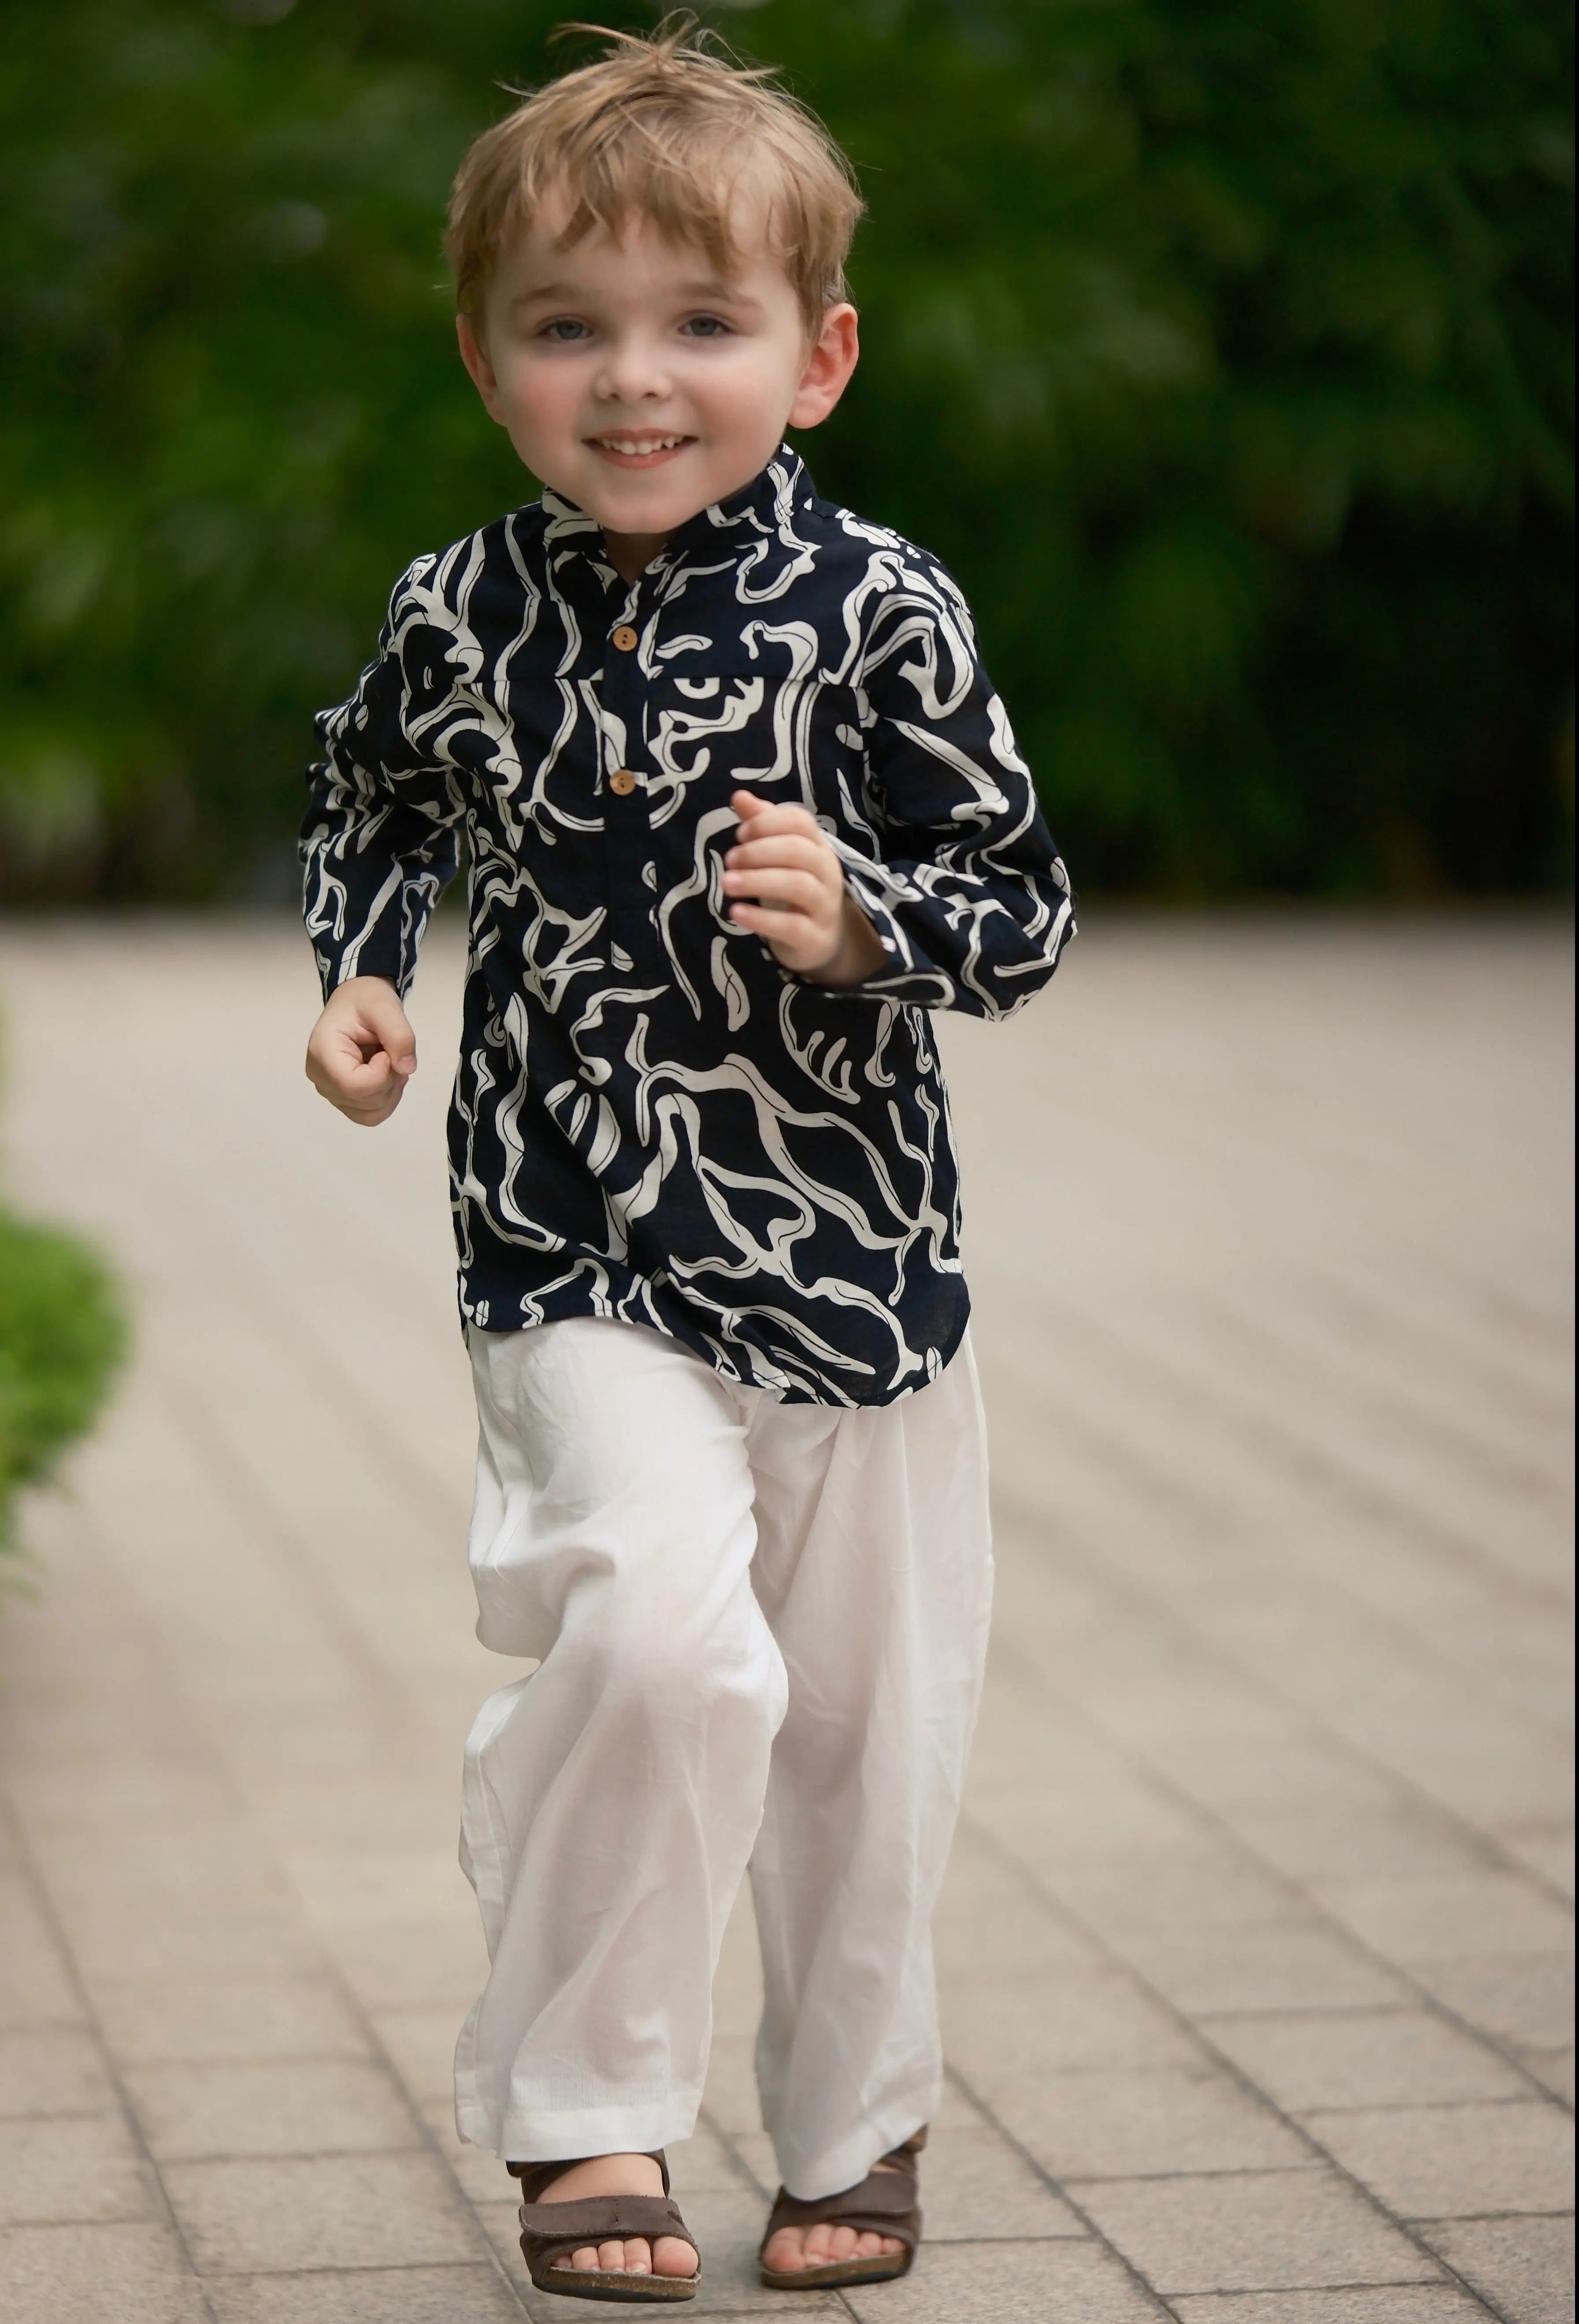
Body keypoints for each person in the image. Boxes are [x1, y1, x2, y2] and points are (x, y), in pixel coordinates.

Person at [300, 19, 1073, 2303]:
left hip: (863, 1277)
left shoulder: (886, 612)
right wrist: (362, 973)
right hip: (575, 1248)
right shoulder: (460, 615)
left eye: (702, 326)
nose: (636, 381)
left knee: (861, 1737)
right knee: (655, 1644)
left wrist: (873, 918)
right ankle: (586, 2117)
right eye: (571, 329)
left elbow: (1020, 907)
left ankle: (857, 2122)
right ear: (488, 357)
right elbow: (372, 797)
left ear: (815, 358)